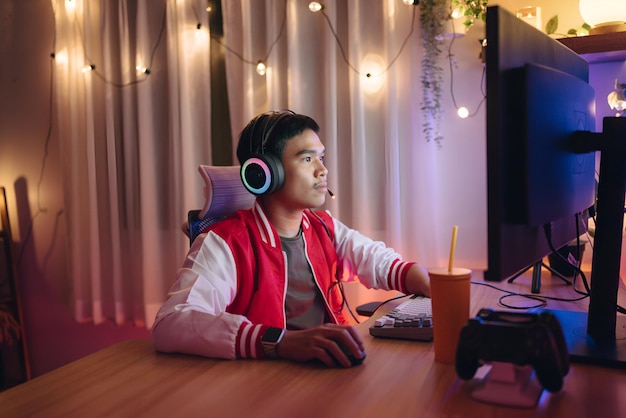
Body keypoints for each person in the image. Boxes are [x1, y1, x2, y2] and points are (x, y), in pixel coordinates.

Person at [151, 109, 430, 368]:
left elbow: (379, 262)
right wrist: (281, 342)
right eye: (308, 159)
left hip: (332, 370)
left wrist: (427, 283)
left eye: (321, 157)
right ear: (266, 173)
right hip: (266, 384)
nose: (323, 170)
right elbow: (171, 323)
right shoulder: (225, 242)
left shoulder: (323, 227)